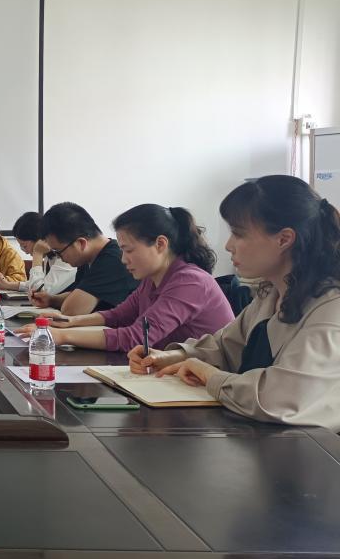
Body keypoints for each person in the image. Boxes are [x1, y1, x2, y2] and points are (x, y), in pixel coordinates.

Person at [130, 176, 340, 430]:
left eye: (238, 234)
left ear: (284, 239)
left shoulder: (331, 307)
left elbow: (278, 399)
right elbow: (225, 347)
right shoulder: (271, 294)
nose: (229, 245)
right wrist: (172, 357)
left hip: (316, 450)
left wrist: (208, 374)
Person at [19, 204, 234, 351]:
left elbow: (136, 337)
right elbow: (118, 315)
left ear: (160, 244)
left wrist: (62, 336)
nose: (123, 259)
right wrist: (70, 322)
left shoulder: (190, 281)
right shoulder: (152, 279)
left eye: (129, 250)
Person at [30, 202, 138, 315]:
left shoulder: (113, 260)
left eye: (58, 252)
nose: (59, 258)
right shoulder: (87, 258)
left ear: (81, 243)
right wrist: (51, 300)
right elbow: (78, 293)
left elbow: (72, 311)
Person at [0, 211, 76, 295]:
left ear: (40, 240)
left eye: (24, 246)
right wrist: (7, 284)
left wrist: (37, 253)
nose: (25, 251)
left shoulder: (66, 258)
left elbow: (40, 291)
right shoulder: (49, 256)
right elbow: (39, 283)